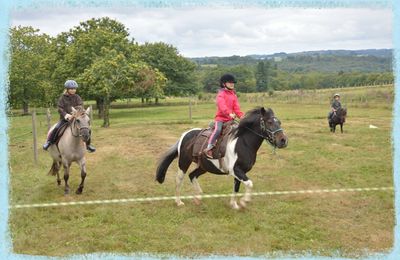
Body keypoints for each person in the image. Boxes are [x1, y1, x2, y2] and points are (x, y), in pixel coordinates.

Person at [43, 80, 96, 152]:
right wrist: (66, 115)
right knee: (57, 128)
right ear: (67, 89)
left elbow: (80, 105)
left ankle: (88, 145)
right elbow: (60, 108)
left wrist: (76, 113)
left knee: (87, 129)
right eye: (71, 89)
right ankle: (49, 142)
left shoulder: (77, 97)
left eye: (74, 89)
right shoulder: (62, 98)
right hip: (65, 119)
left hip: (76, 118)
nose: (73, 90)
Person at [203, 74, 244, 159]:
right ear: (224, 84)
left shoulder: (233, 95)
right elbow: (222, 106)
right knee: (217, 130)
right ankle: (209, 147)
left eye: (233, 82)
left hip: (230, 119)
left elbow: (236, 108)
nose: (232, 84)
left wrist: (241, 116)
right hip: (221, 119)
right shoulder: (221, 94)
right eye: (230, 82)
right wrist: (229, 113)